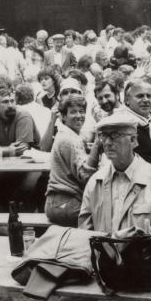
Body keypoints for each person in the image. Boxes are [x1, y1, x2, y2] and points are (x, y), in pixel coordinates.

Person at [78, 113, 151, 243]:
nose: (108, 142)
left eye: (115, 135)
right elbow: (84, 233)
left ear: (133, 141)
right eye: (104, 136)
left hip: (143, 261)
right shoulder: (95, 182)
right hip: (104, 261)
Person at [45, 95, 100, 227]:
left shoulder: (69, 134)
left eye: (81, 111)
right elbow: (85, 177)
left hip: (55, 203)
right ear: (63, 116)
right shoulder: (70, 139)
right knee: (105, 215)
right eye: (73, 112)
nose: (79, 115)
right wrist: (97, 147)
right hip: (65, 204)